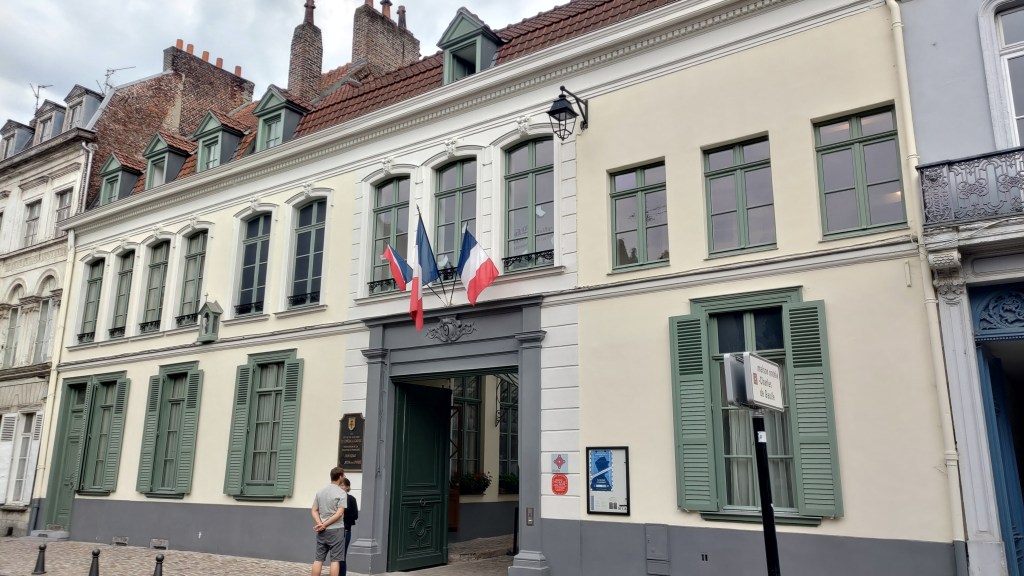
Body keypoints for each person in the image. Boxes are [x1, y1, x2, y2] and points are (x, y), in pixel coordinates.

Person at [311, 467, 346, 576]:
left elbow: (314, 510)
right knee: (335, 560)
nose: (343, 478)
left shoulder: (320, 491)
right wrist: (324, 524)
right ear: (340, 476)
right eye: (343, 476)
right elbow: (340, 513)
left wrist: (320, 524)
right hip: (336, 530)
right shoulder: (341, 493)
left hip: (322, 531)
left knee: (318, 559)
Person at [341, 478, 359, 566]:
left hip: (345, 529)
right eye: (339, 485)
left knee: (342, 557)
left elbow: (355, 515)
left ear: (347, 487)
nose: (340, 487)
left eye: (342, 485)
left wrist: (343, 514)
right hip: (334, 530)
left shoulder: (351, 499)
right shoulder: (335, 498)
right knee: (335, 557)